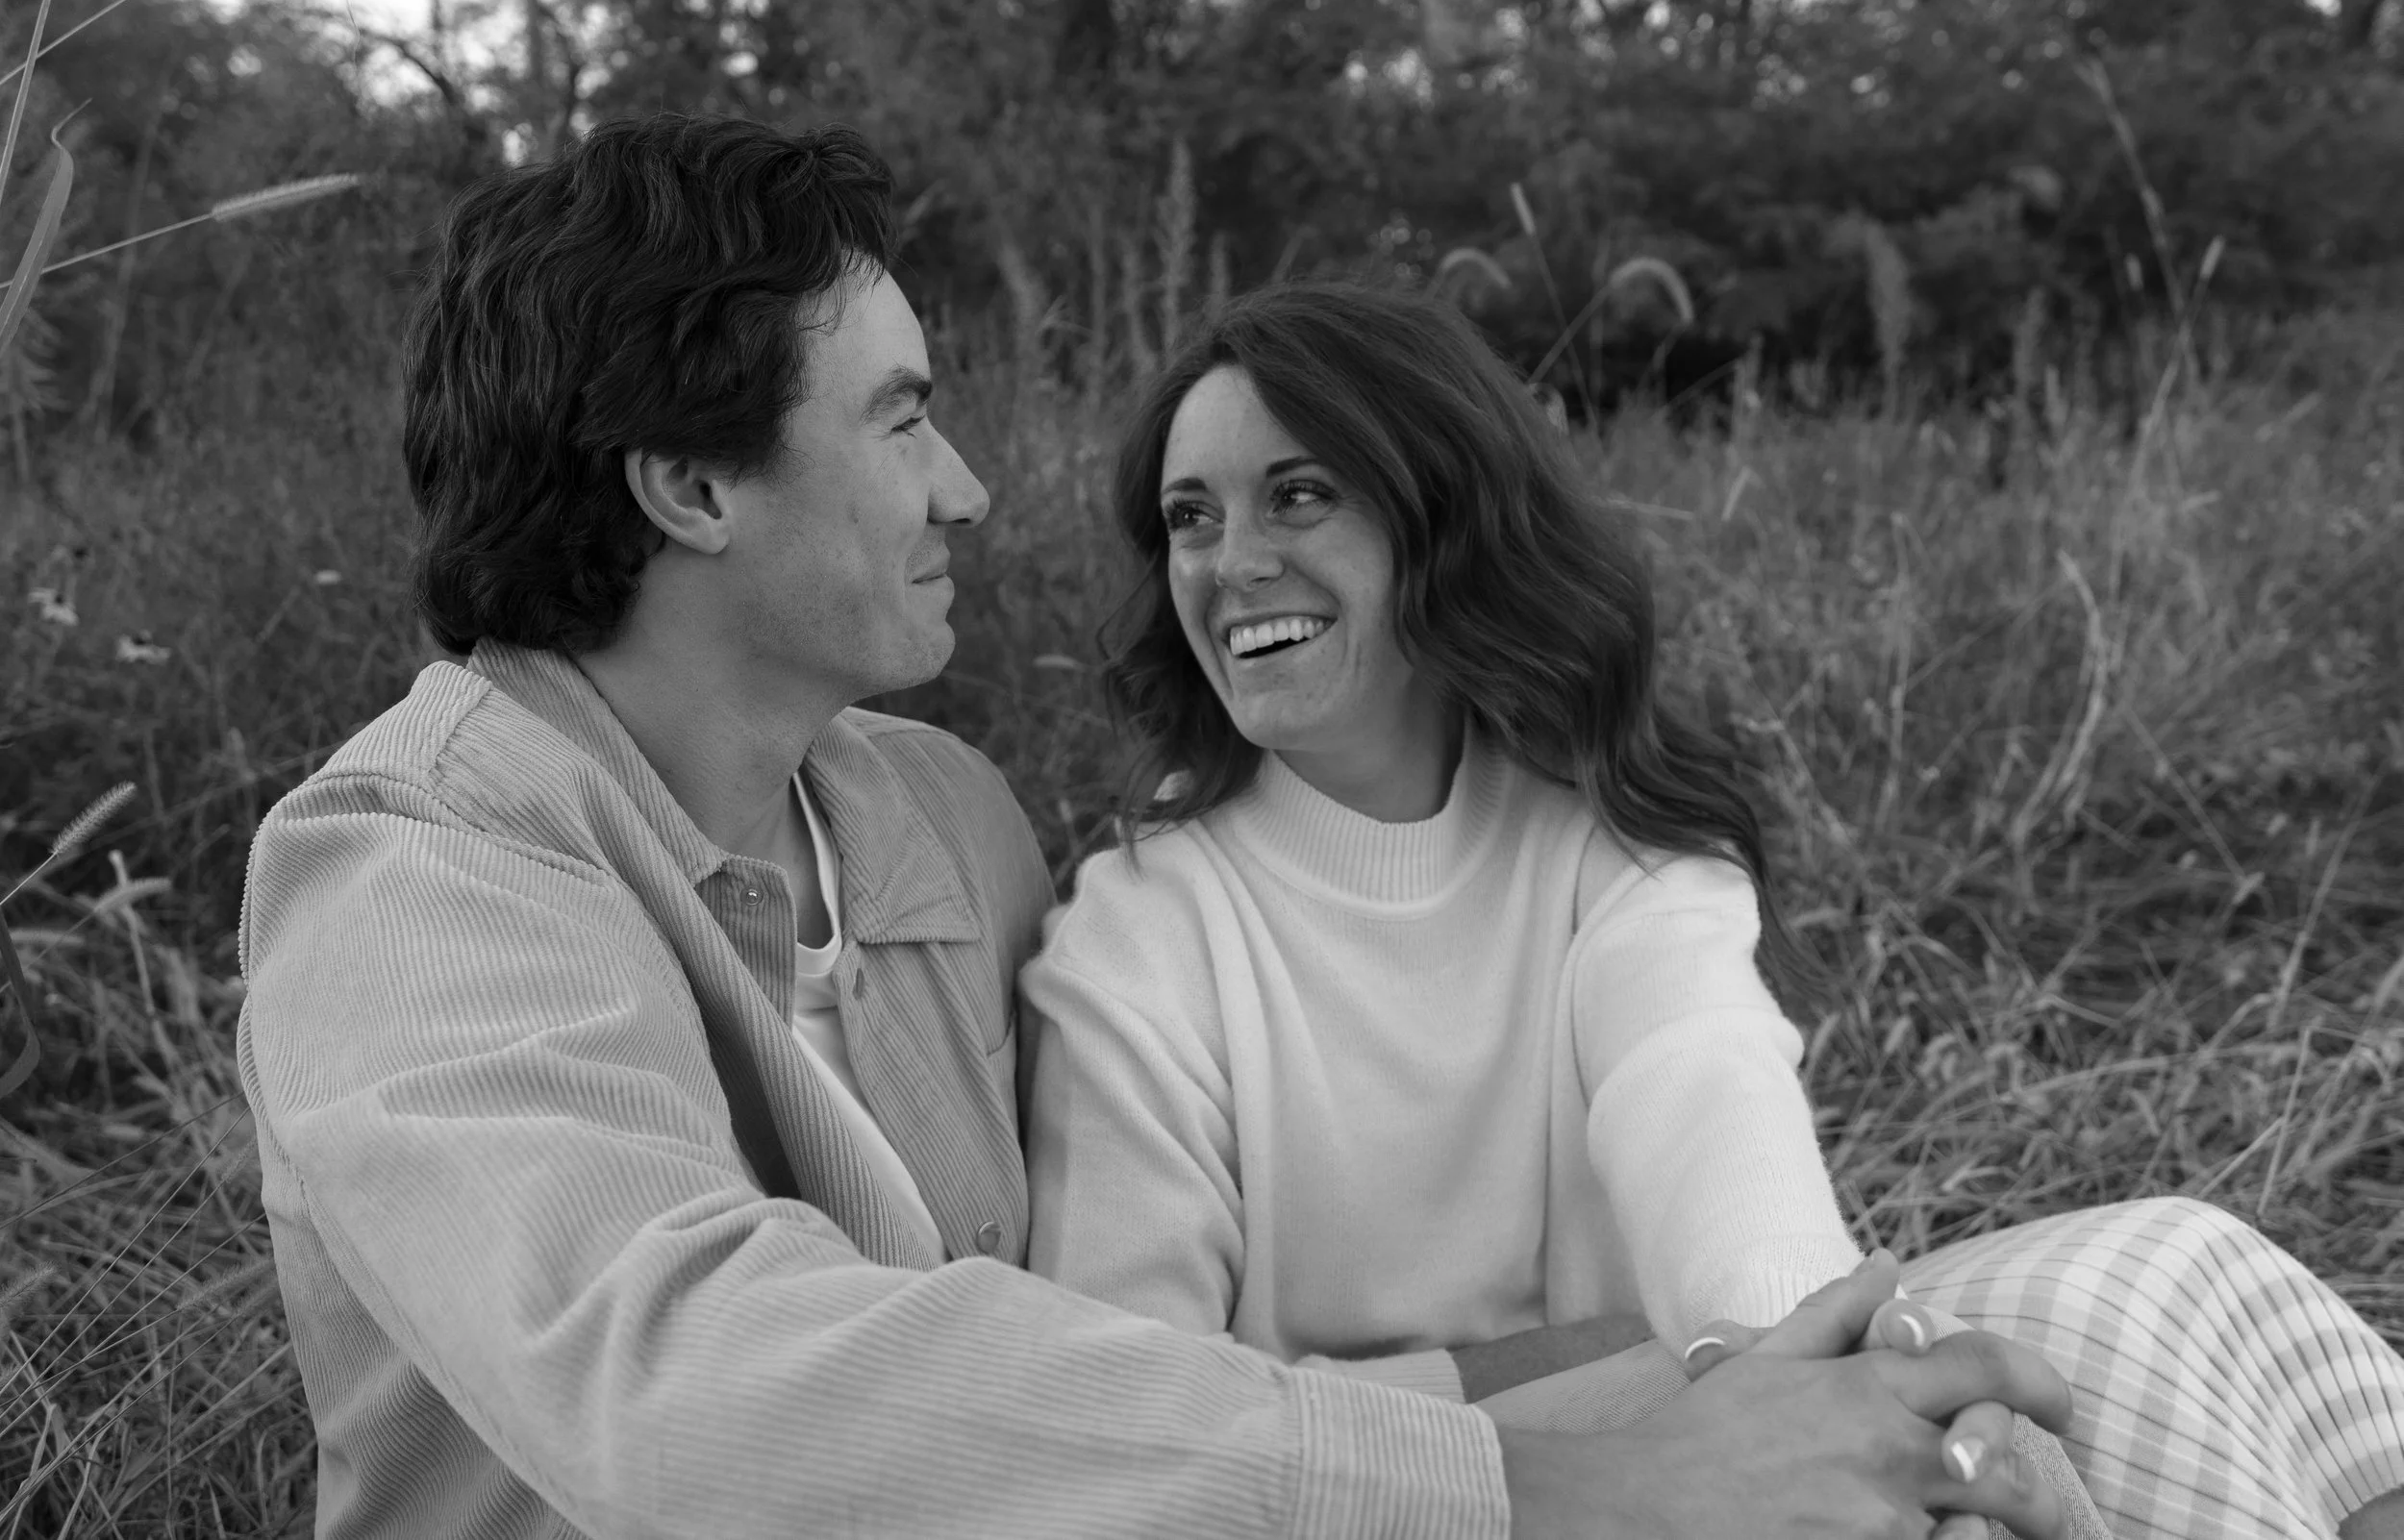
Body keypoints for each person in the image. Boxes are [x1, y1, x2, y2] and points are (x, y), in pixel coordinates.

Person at [238, 111, 2080, 1539]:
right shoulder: (418, 870)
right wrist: (1589, 1482)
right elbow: (684, 1383)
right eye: (899, 421)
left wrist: (1667, 1378)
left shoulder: (939, 820)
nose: (964, 488)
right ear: (692, 482)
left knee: (2112, 1315)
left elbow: (1113, 1374)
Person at [1019, 279, 2404, 1540]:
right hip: (1389, 1502)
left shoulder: (1611, 843)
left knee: (2166, 1280)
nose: (1229, 560)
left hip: (1709, 1442)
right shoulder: (1141, 933)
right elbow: (1130, 1427)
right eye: (1190, 515)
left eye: (1298, 494)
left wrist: (1838, 1394)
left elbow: (1711, 1116)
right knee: (2082, 1318)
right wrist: (1605, 1374)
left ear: (1441, 514)